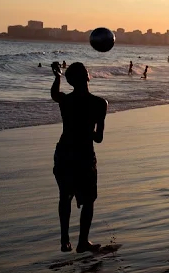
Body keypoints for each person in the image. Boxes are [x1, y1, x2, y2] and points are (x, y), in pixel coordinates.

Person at [51, 62, 108, 253]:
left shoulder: (66, 101)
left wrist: (57, 75)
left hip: (65, 153)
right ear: (88, 76)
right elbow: (99, 138)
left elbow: (54, 95)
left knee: (64, 197)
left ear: (71, 82)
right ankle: (82, 241)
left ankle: (65, 240)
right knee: (89, 200)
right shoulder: (100, 104)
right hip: (84, 155)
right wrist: (87, 130)